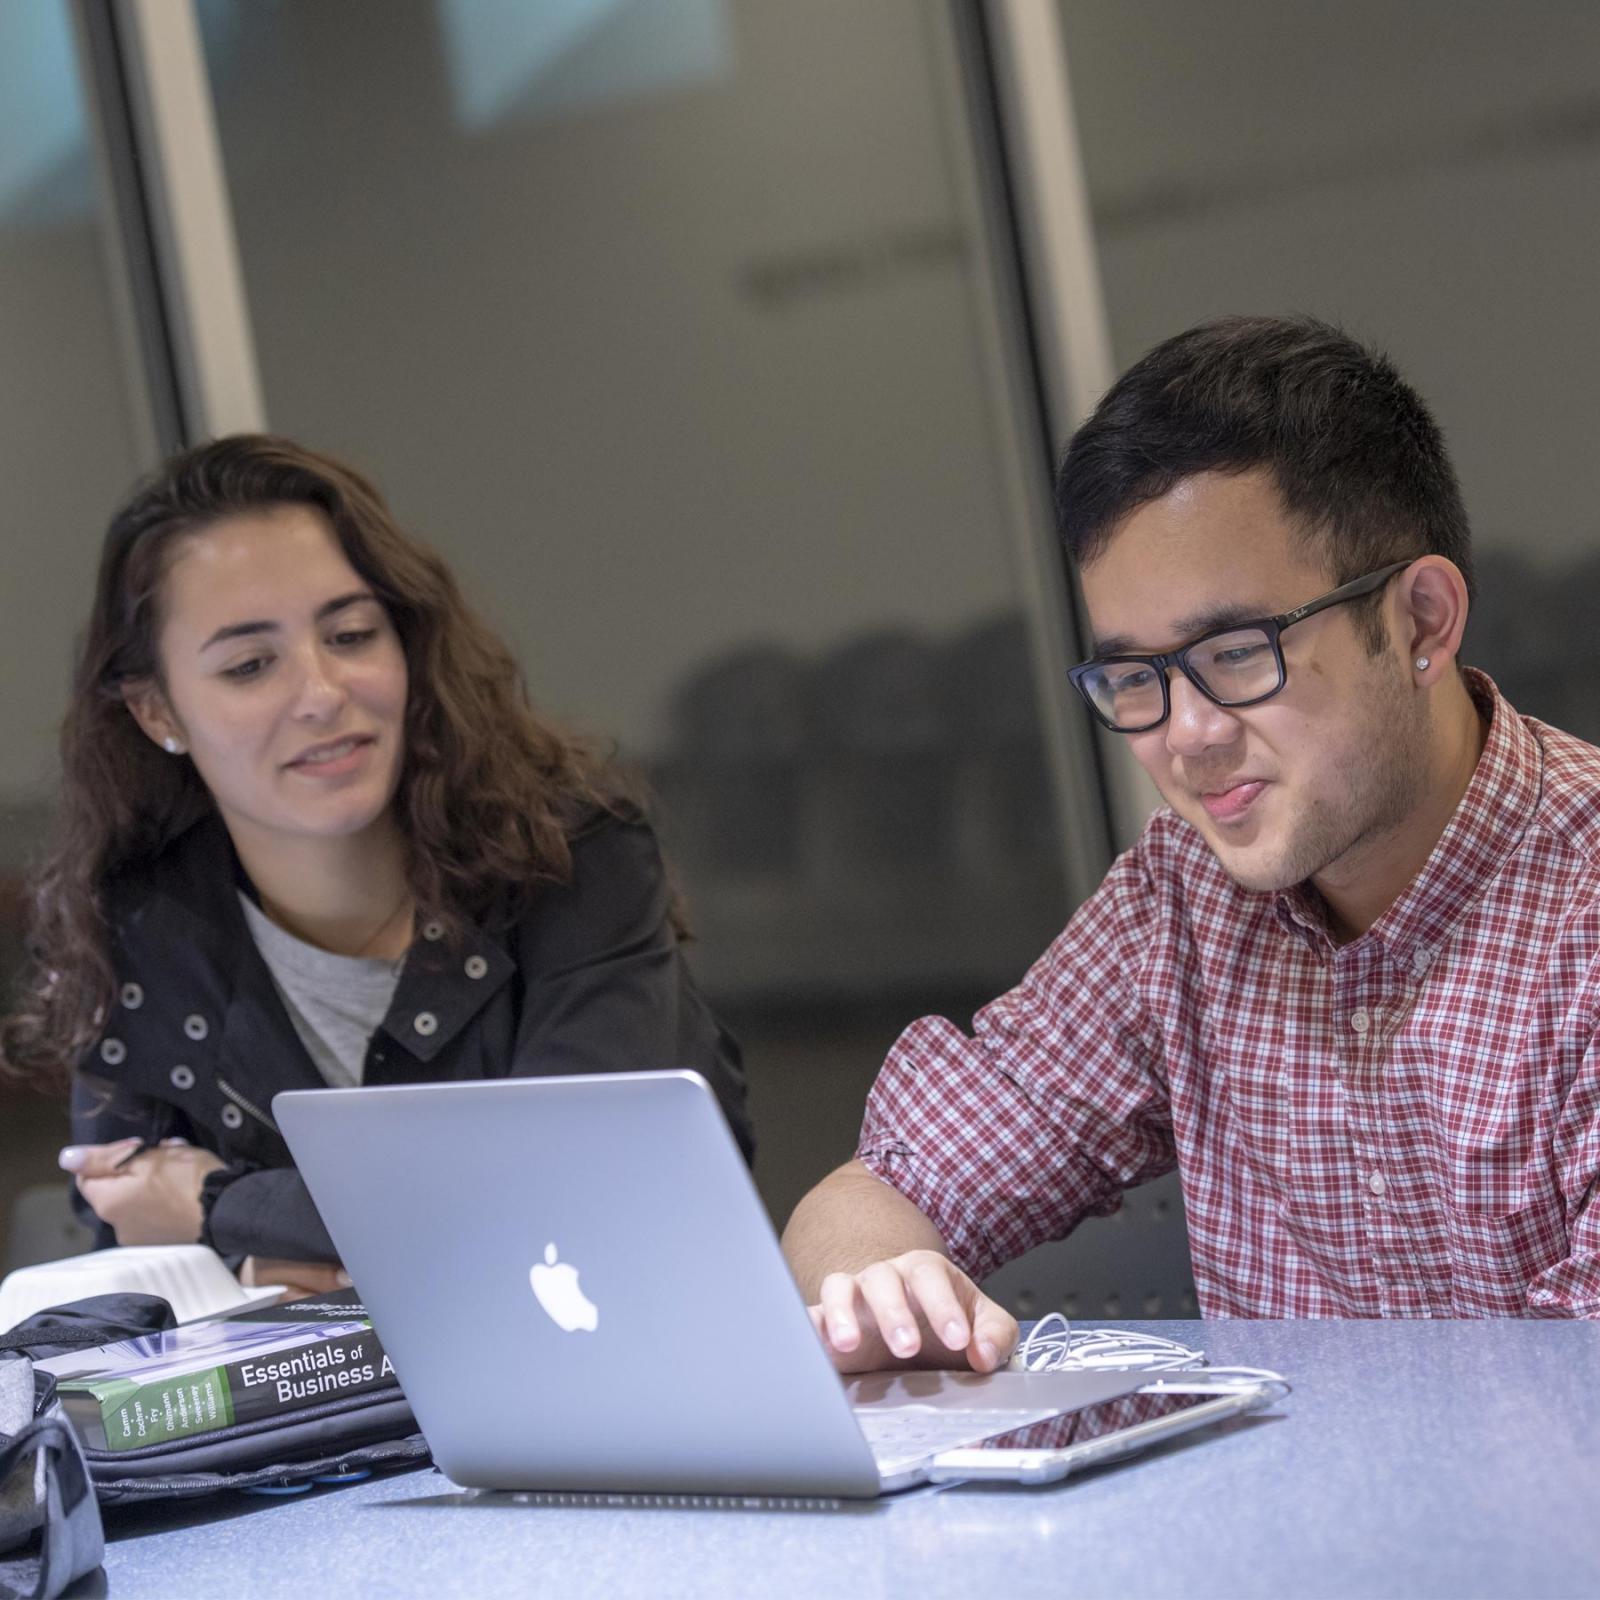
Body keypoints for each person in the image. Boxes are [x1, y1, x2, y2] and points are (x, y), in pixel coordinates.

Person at [783, 314, 1600, 1368]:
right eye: (1136, 675)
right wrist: (885, 1290)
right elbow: (873, 1190)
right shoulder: (1181, 898)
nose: (1186, 735)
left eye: (1236, 650)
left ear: (1422, 623)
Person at [1, 436, 751, 1299]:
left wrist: (219, 1202)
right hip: (314, 1427)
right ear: (158, 709)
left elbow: (568, 1199)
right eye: (250, 665)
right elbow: (131, 1245)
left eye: (351, 634)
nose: (321, 693)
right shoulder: (137, 921)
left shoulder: (571, 854)